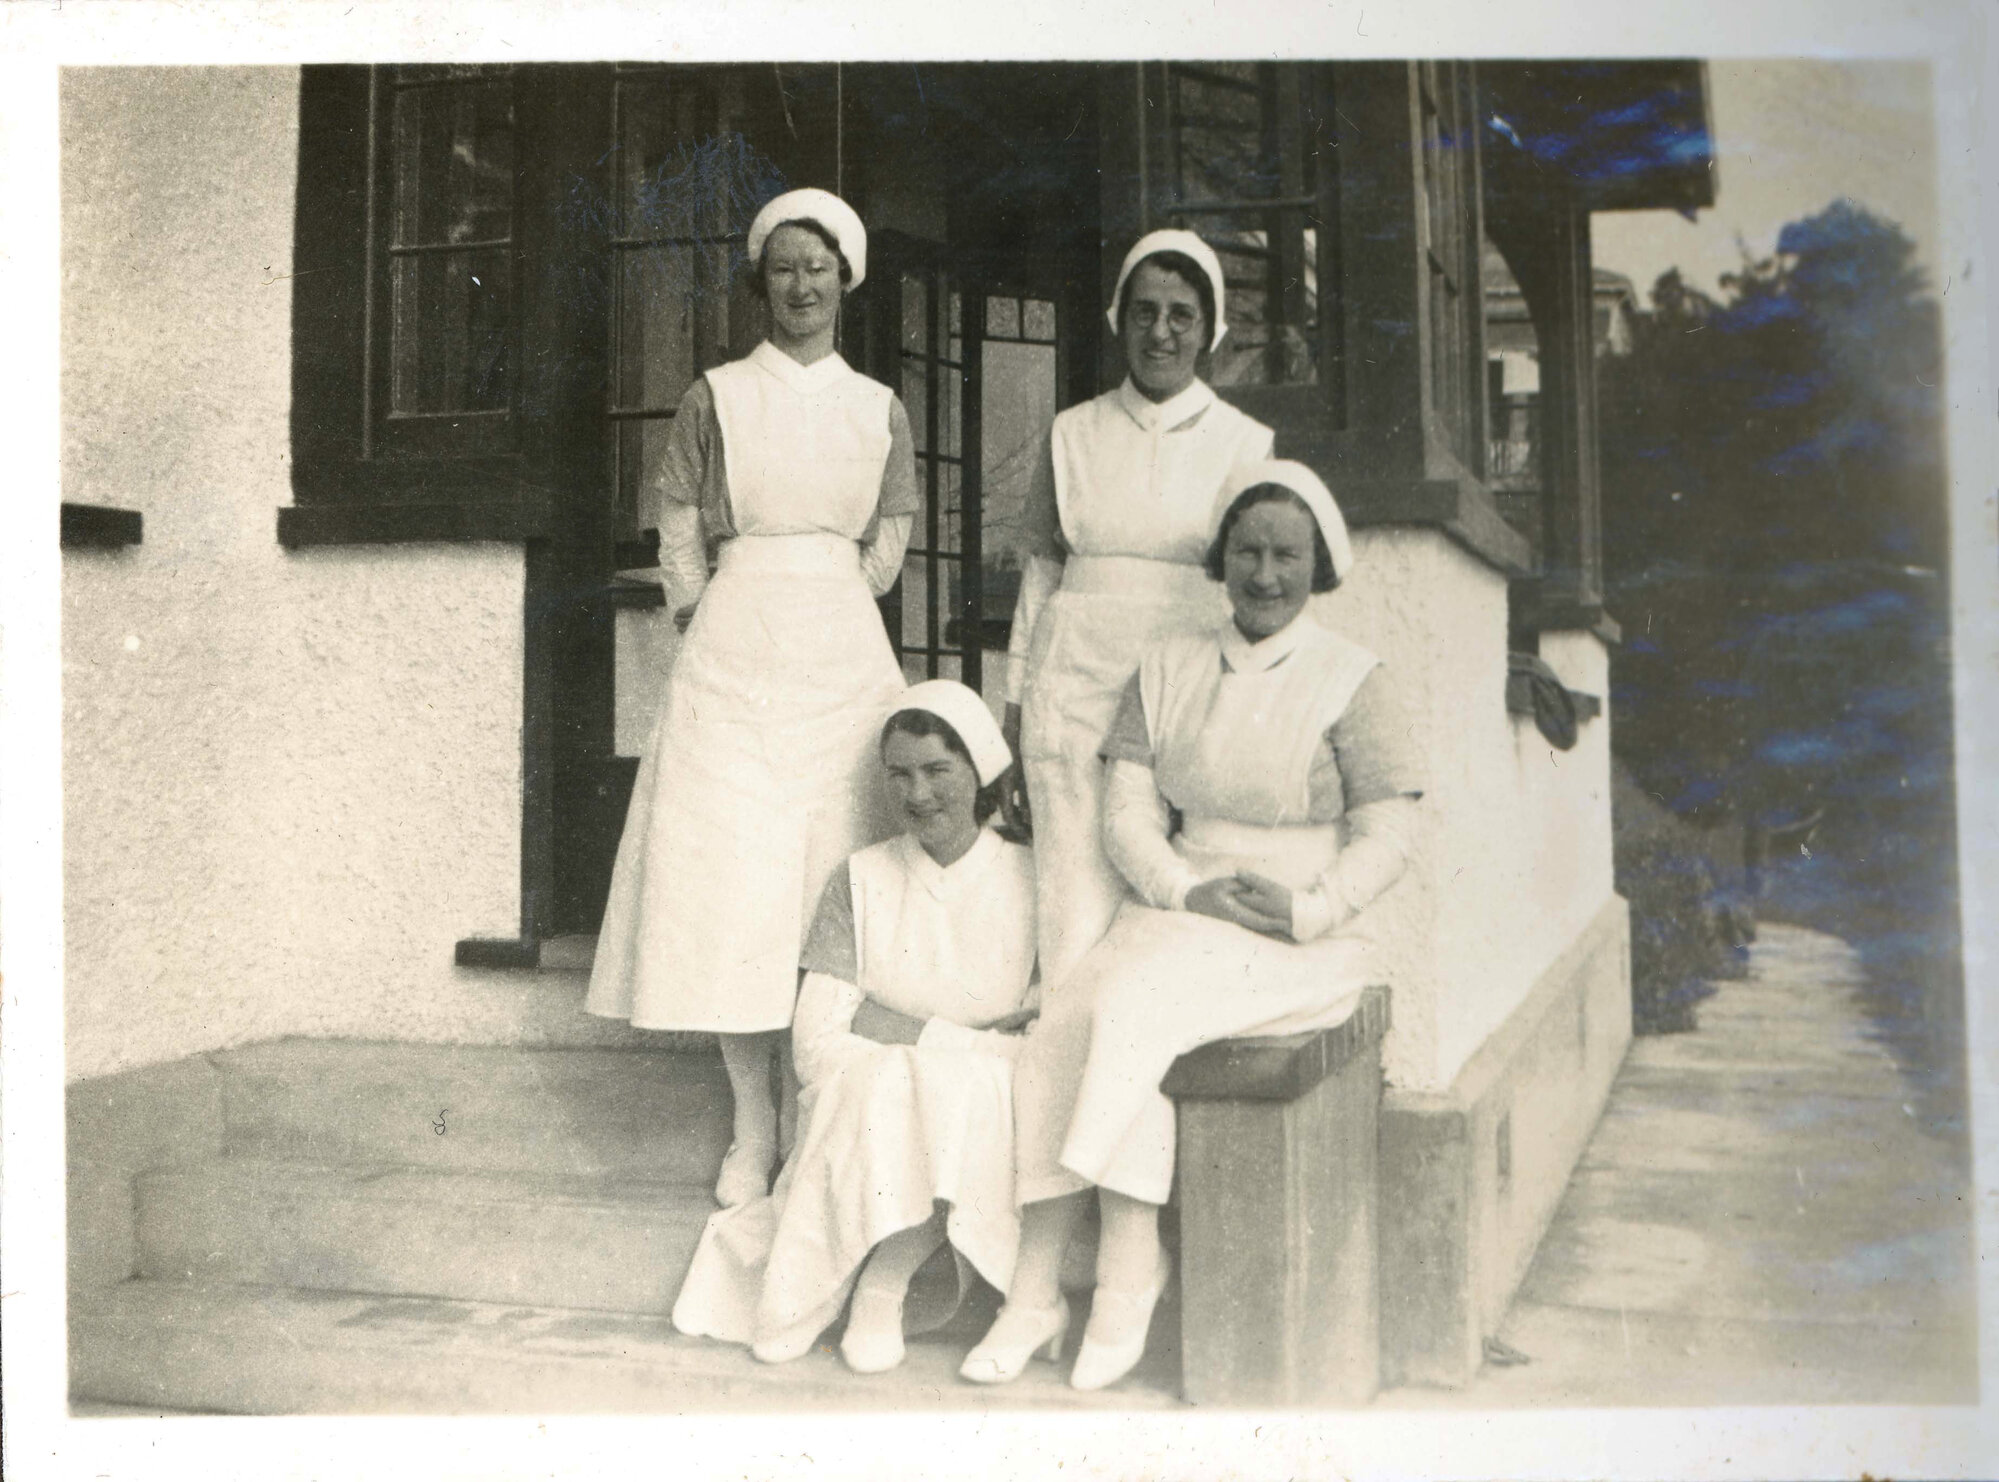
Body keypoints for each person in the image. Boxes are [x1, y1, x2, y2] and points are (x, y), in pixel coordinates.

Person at [963, 460, 1424, 1392]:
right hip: (1180, 910)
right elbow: (1126, 815)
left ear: (1319, 564)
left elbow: (1390, 828)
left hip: (1300, 938)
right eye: (1246, 552)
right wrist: (1179, 890)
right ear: (1218, 561)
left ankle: (1114, 1280)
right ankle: (1045, 1287)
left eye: (1285, 555)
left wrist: (1309, 907)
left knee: (1133, 1007)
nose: (1263, 575)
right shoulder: (1167, 665)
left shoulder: (1351, 680)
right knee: (1071, 1016)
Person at [586, 188, 919, 1209]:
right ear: (759, 282)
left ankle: (819, 1104)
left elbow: (890, 537)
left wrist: (828, 594)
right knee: (732, 878)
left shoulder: (877, 408)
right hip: (734, 647)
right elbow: (676, 516)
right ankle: (750, 1123)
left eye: (819, 266)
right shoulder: (716, 394)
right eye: (783, 267)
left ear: (846, 280)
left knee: (830, 865)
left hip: (838, 650)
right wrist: (704, 606)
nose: (802, 284)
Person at [671, 681, 1040, 1374]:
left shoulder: (1030, 878)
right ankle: (832, 1292)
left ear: (980, 770)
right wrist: (963, 1039)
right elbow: (814, 1044)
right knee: (892, 1083)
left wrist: (890, 1024)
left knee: (956, 1087)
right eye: (898, 774)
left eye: (938, 770)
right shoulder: (860, 878)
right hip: (870, 1090)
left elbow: (1036, 1042)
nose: (917, 793)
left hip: (982, 1097)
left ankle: (881, 1284)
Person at [1003, 229, 1275, 995]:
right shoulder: (1072, 434)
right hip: (1073, 686)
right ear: (1118, 319)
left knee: (1173, 888)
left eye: (1181, 315)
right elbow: (1039, 578)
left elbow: (1254, 590)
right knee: (1072, 895)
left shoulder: (1245, 443)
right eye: (1144, 312)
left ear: (1209, 329)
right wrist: (1016, 704)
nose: (1160, 332)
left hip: (1184, 683)